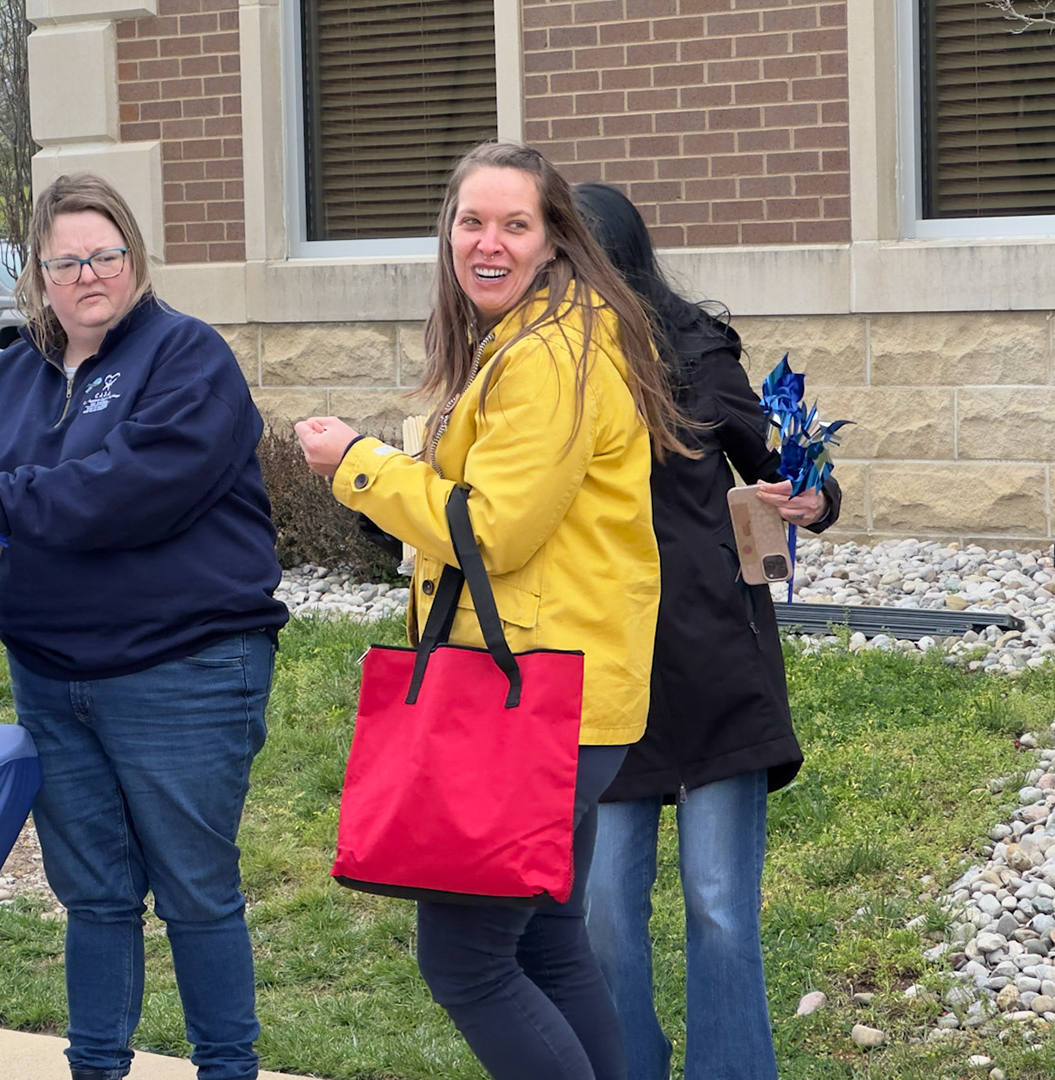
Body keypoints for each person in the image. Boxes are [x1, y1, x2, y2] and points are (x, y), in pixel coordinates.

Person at [293, 141, 694, 1080]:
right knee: (548, 943)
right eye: (472, 221)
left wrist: (358, 465)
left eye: (516, 224)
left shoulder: (547, 355)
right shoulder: (549, 335)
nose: (490, 243)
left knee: (467, 962)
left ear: (554, 239)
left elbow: (494, 530)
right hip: (563, 696)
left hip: (528, 703)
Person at [0, 172, 287, 1080]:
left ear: (135, 259)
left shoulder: (187, 358)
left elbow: (132, 488)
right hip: (51, 674)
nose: (88, 276)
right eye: (65, 262)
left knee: (195, 891)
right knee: (94, 895)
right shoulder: (14, 373)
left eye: (105, 255)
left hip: (181, 667)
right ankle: (95, 1068)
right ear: (38, 274)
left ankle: (226, 1069)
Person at [570, 182, 839, 1080]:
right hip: (599, 664)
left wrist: (809, 497)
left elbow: (785, 466)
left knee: (720, 905)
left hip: (710, 649)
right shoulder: (531, 368)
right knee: (602, 912)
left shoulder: (694, 352)